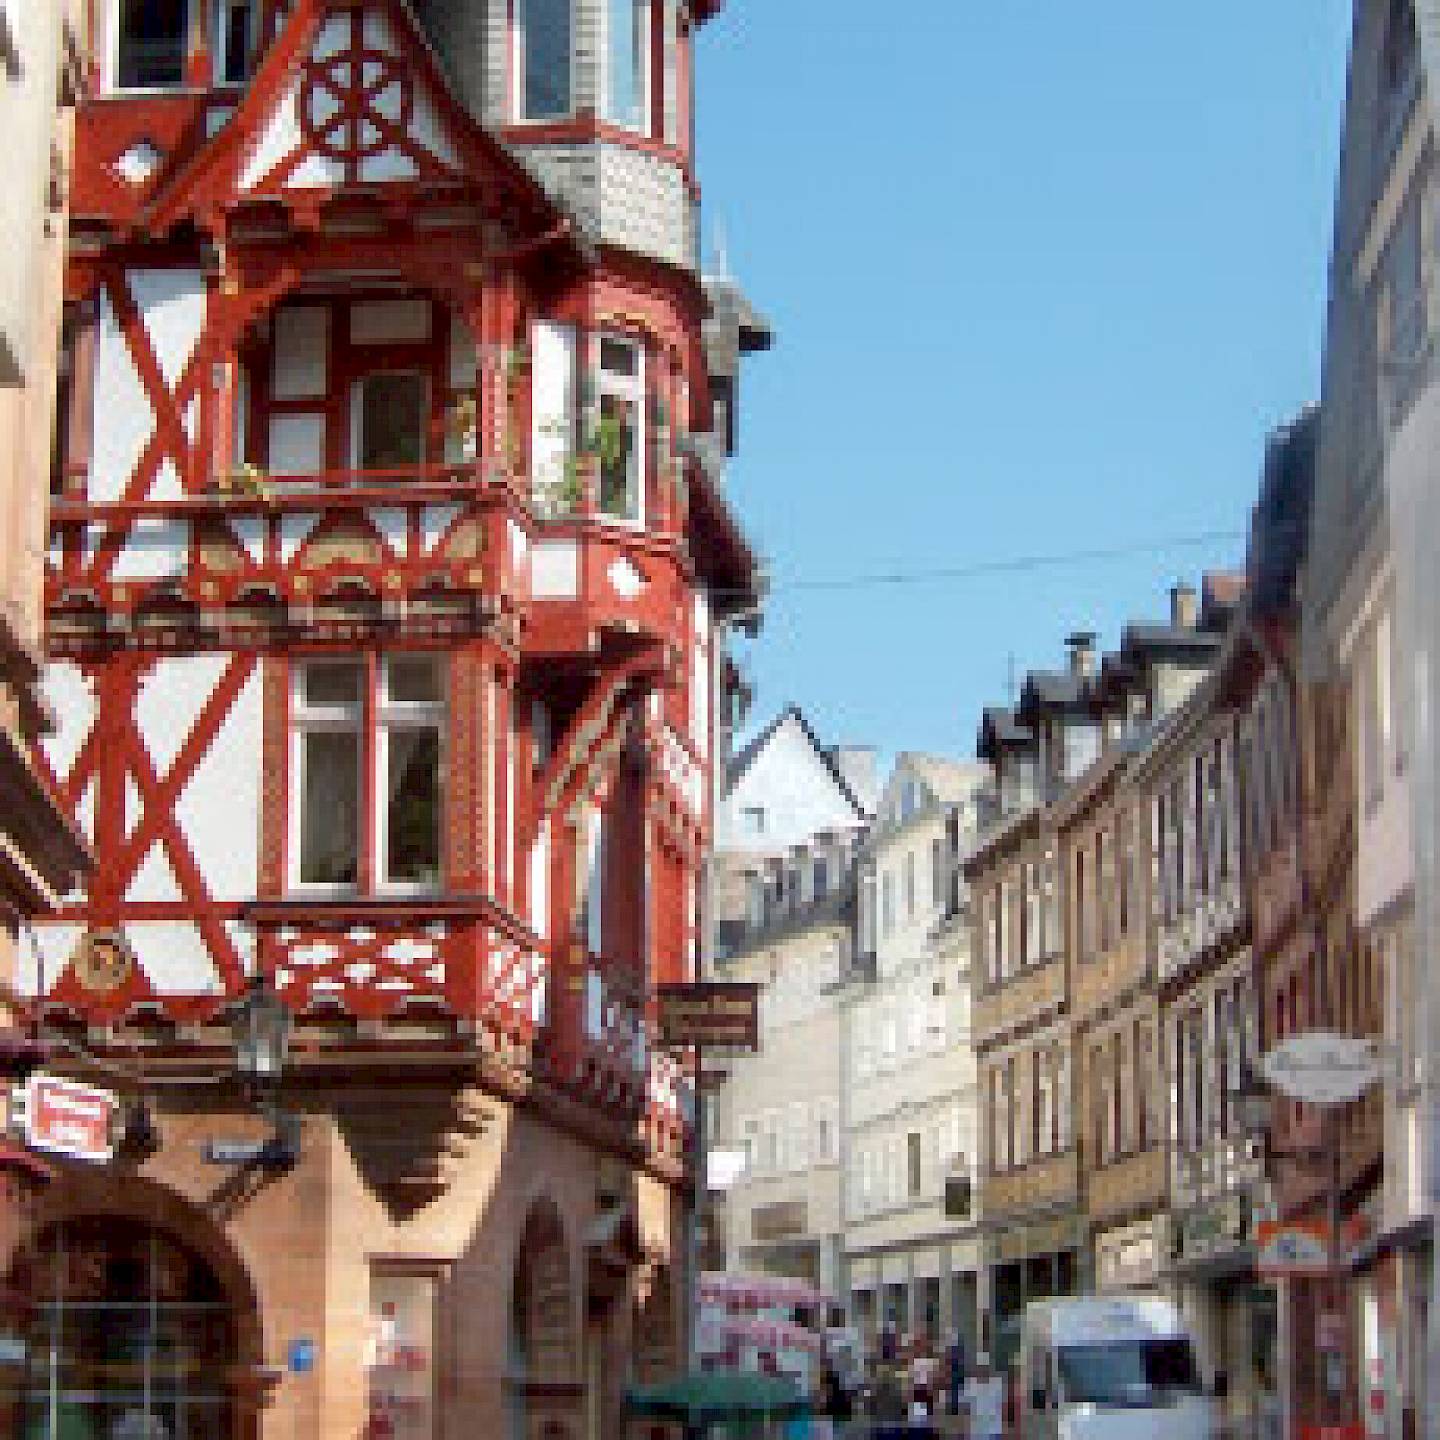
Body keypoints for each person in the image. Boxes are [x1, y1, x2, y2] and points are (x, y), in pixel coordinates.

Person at [962, 1353, 1006, 1440]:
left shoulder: (997, 1384)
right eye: (980, 1367)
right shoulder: (970, 1385)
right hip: (976, 1433)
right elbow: (966, 1410)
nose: (982, 1370)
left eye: (985, 1367)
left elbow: (1003, 1407)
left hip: (993, 1431)